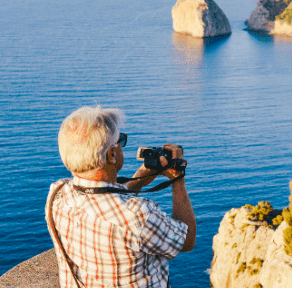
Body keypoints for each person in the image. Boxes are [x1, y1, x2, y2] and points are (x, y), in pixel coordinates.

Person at [45, 106, 196, 288]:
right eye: (120, 140)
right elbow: (187, 240)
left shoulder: (57, 194)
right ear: (112, 155)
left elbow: (104, 205)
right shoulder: (140, 216)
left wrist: (137, 181)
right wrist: (177, 178)